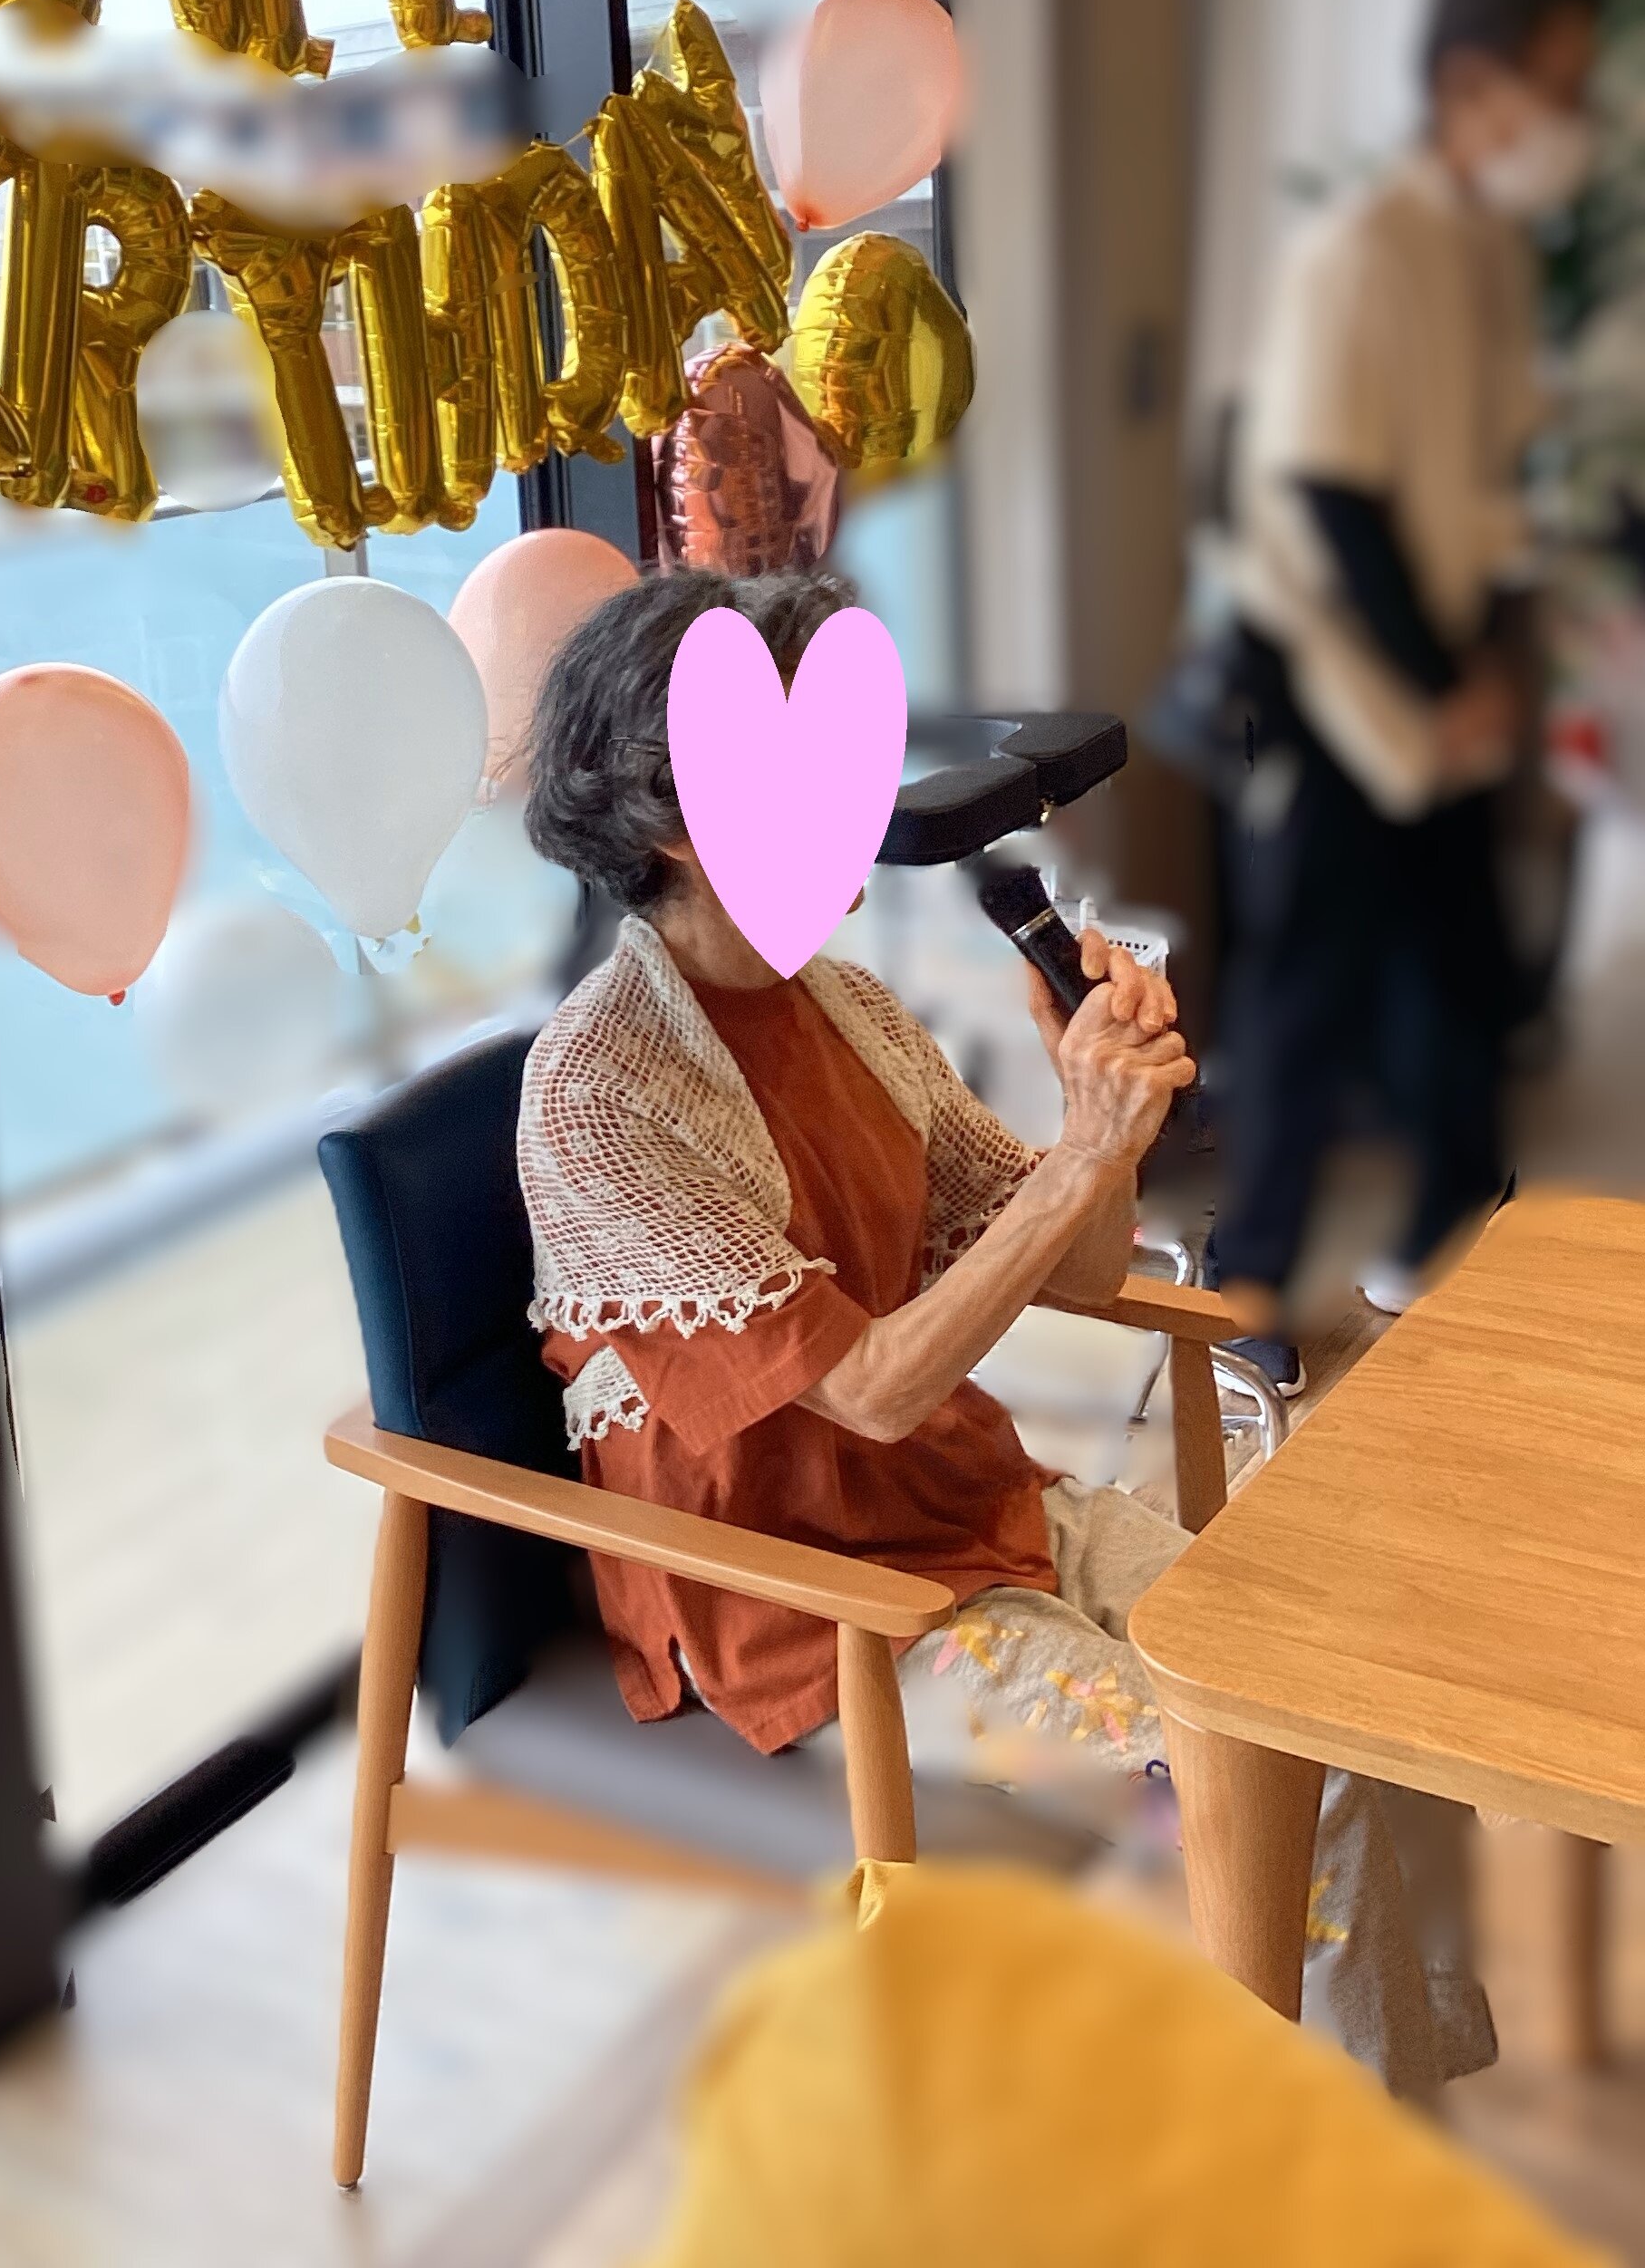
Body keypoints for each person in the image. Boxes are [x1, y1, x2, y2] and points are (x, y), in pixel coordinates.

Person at [518, 566, 1492, 2101]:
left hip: (981, 1509)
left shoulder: (845, 1005)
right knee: (1250, 1770)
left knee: (1335, 1685)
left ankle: (1385, 2105)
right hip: (822, 1613)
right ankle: (1293, 2153)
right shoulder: (600, 1094)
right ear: (677, 820)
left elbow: (1085, 1272)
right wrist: (1084, 1152)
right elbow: (873, 1390)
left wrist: (1095, 1114)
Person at [1214, 0, 1599, 1382]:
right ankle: (1244, 1297)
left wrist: (1493, 654)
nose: (1575, 116)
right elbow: (1331, 495)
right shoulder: (1359, 252)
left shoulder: (1488, 251)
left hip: (1440, 665)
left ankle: (1455, 1225)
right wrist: (1449, 681)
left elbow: (1487, 478)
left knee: (1462, 963)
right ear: (1465, 85)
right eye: (1556, 86)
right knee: (1307, 989)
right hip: (1334, 670)